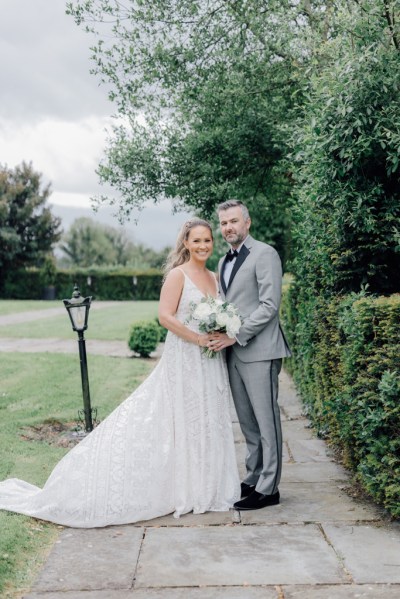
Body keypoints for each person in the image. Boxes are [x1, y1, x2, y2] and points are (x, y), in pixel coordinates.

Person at [0, 219, 240, 528]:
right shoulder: (178, 276)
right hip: (184, 359)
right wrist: (196, 338)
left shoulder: (215, 276)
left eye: (207, 240)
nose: (203, 245)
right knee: (179, 419)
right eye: (197, 241)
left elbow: (221, 315)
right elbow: (165, 317)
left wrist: (220, 332)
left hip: (210, 361)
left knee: (207, 418)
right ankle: (183, 487)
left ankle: (208, 485)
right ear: (186, 243)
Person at [209, 200, 291, 511]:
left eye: (233, 221)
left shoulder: (265, 254)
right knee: (247, 422)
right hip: (233, 354)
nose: (228, 227)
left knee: (266, 420)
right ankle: (255, 476)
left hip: (259, 351)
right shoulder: (222, 262)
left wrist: (235, 335)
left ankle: (270, 488)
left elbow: (270, 306)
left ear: (247, 223)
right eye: (223, 223)